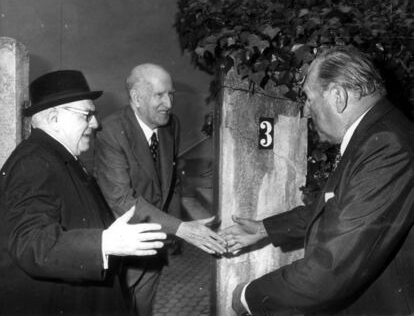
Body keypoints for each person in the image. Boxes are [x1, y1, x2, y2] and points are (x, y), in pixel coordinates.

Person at [221, 46, 414, 315]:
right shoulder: (375, 134)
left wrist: (247, 296)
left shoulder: (386, 146)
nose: (307, 111)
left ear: (338, 96)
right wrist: (265, 228)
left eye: (310, 99)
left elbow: (329, 272)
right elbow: (335, 204)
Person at [0, 70, 167, 316]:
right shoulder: (33, 163)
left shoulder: (58, 156)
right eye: (87, 115)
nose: (95, 124)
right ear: (54, 118)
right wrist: (105, 243)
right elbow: (30, 243)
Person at [94, 63, 226, 315]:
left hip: (154, 248)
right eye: (159, 95)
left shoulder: (170, 125)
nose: (169, 102)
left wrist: (172, 231)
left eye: (171, 94)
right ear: (136, 97)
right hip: (123, 251)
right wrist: (182, 228)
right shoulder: (111, 132)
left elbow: (173, 181)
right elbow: (122, 200)